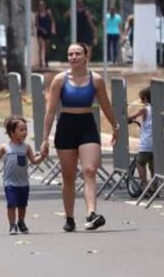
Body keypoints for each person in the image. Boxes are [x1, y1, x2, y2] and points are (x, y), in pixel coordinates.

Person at [41, 43, 118, 232]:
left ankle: (92, 214)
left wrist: (115, 126)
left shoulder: (96, 80)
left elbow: (106, 105)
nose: (74, 57)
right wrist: (45, 138)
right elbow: (50, 111)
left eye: (77, 53)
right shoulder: (59, 80)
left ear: (86, 56)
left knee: (90, 170)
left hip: (87, 125)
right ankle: (69, 217)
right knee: (68, 177)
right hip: (66, 125)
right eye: (70, 54)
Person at [0, 116, 45, 235]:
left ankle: (21, 222)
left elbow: (34, 161)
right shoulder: (5, 147)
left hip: (23, 182)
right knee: (11, 204)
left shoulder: (27, 147)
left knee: (22, 205)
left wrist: (43, 156)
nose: (24, 132)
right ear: (11, 132)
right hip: (10, 182)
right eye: (21, 130)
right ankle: (12, 225)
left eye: (25, 129)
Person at [127, 88, 153, 191]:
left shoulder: (145, 109)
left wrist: (127, 118)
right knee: (153, 167)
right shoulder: (158, 109)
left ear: (145, 99)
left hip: (146, 144)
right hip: (156, 143)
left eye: (141, 98)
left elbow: (132, 117)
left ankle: (145, 185)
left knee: (140, 162)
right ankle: (155, 188)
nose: (141, 101)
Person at [35, 0, 56, 68]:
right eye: (40, 5)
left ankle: (46, 60)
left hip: (48, 31)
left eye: (42, 5)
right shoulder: (37, 14)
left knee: (47, 48)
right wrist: (42, 29)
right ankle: (41, 62)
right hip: (41, 31)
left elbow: (52, 21)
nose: (41, 7)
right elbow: (36, 24)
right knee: (41, 47)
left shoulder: (48, 12)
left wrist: (53, 29)